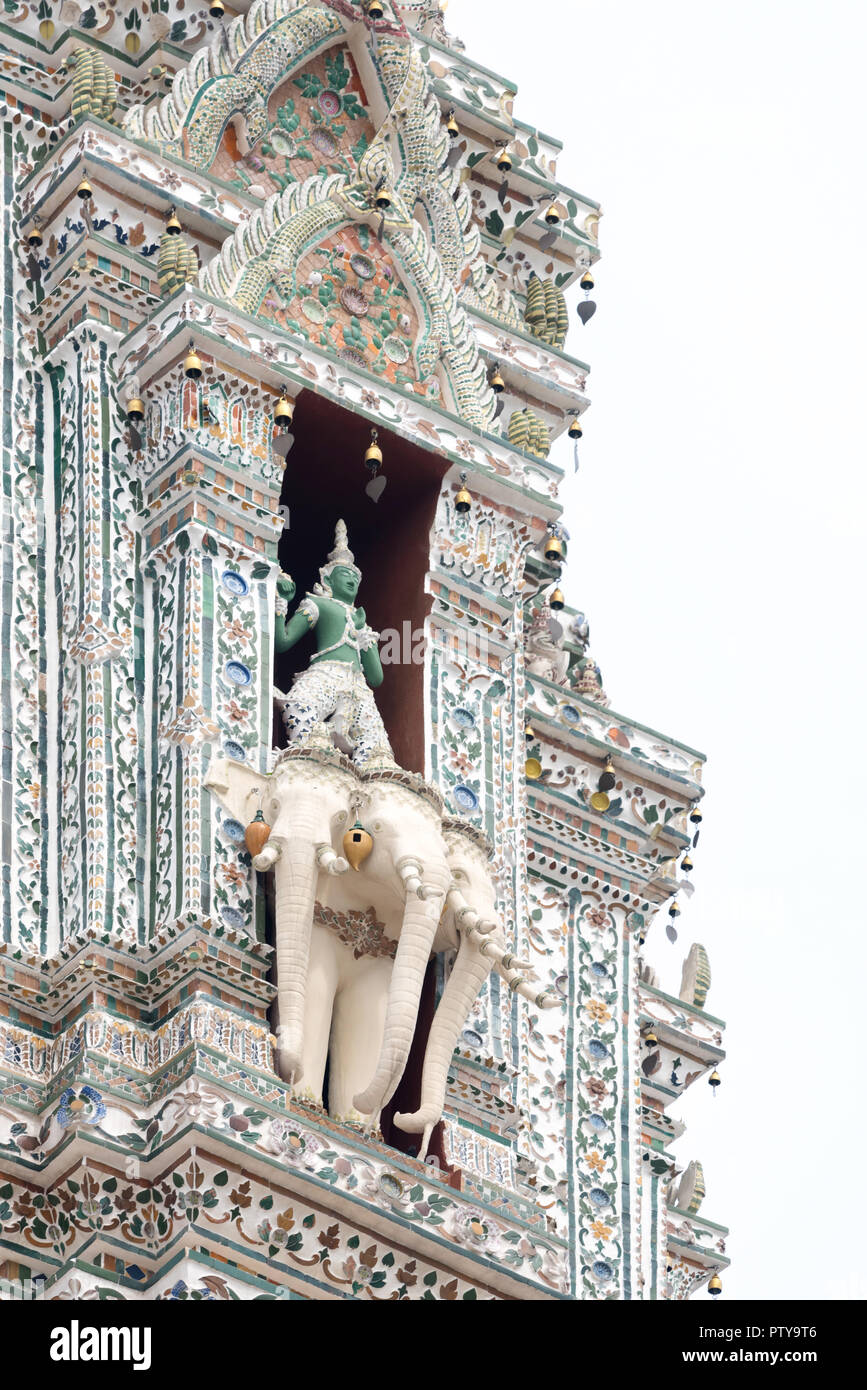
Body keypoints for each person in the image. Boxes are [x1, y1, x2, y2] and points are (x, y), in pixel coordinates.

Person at [274, 520, 394, 766]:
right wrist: (281, 602)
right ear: (328, 579)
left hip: (358, 686)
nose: (351, 580)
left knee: (376, 746)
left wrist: (361, 630)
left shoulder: (361, 621)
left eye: (355, 577)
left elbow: (376, 677)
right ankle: (307, 760)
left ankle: (366, 782)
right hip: (326, 674)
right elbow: (282, 642)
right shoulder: (319, 605)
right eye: (345, 574)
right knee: (298, 708)